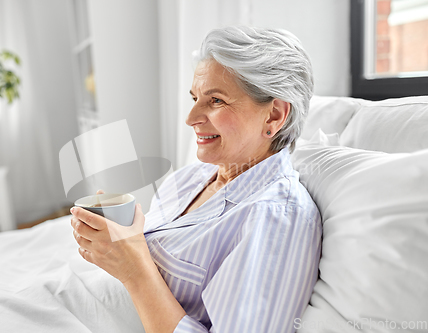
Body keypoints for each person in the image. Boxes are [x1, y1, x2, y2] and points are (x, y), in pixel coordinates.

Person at [70, 26, 321, 333]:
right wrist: (117, 241)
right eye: (195, 98)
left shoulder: (276, 217)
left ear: (273, 116)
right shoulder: (190, 178)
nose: (191, 118)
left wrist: (134, 270)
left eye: (215, 101)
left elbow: (140, 272)